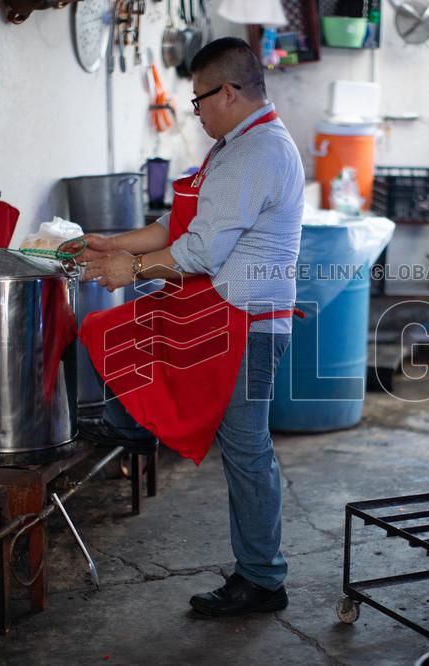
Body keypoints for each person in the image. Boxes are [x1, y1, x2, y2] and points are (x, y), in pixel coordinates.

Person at [69, 37, 305, 617]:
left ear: (229, 92)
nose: (194, 111)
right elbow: (177, 226)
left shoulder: (258, 154)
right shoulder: (235, 145)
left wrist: (131, 268)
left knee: (247, 453)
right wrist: (110, 243)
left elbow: (196, 251)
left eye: (199, 99)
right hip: (221, 315)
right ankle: (132, 423)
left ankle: (262, 580)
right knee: (119, 331)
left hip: (246, 326)